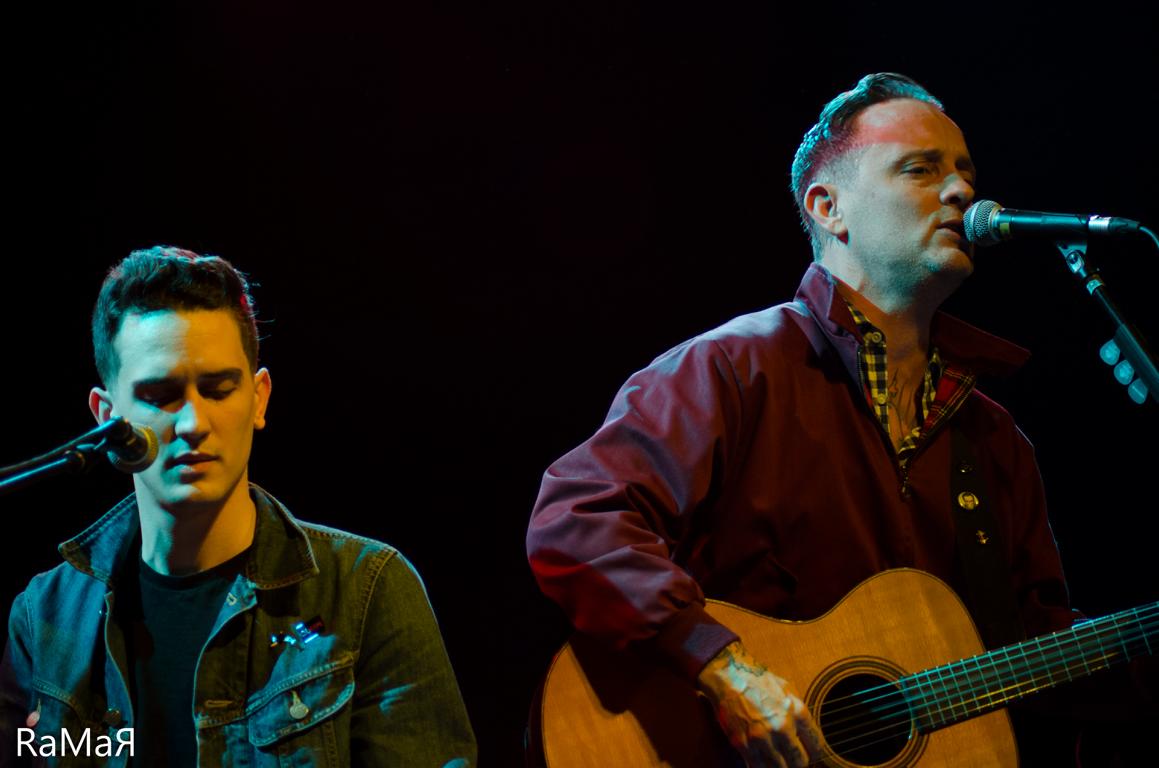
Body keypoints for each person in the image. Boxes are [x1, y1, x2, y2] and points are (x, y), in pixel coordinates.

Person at [526, 74, 1154, 766]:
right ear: (827, 208)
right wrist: (725, 669)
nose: (961, 191)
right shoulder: (732, 369)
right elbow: (579, 520)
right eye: (921, 169)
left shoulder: (993, 440)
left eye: (964, 173)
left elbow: (1036, 653)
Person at [0, 247, 476, 766]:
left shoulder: (367, 590)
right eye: (160, 396)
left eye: (218, 390)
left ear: (259, 398)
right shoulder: (44, 617)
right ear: (106, 416)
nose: (192, 424)